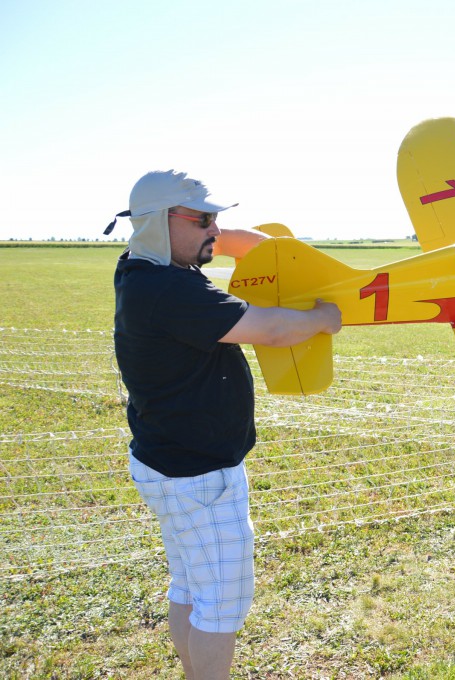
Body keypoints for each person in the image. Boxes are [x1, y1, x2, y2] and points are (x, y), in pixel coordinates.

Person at [111, 170, 342, 679]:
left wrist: (273, 247)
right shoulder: (169, 291)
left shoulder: (141, 266)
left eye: (217, 218)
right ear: (158, 222)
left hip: (167, 463)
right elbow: (274, 328)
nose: (215, 230)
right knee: (222, 603)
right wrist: (327, 315)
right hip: (199, 476)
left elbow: (246, 242)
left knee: (191, 588)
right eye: (202, 219)